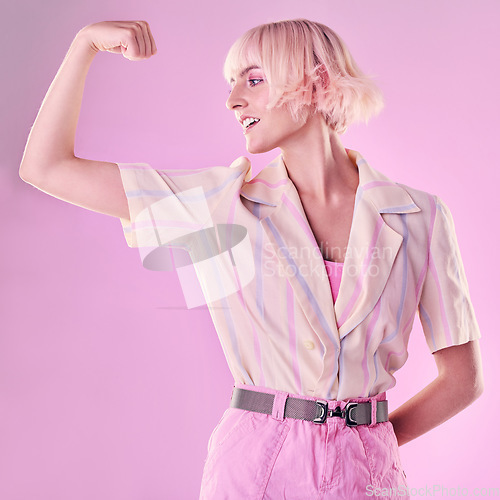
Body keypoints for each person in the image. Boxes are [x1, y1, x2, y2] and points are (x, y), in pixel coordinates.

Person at [19, 18, 484, 500]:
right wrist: (84, 46)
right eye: (232, 82)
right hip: (254, 472)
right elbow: (46, 167)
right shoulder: (221, 206)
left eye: (254, 79)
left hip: (370, 478)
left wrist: (364, 440)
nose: (233, 100)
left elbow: (462, 381)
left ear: (316, 80)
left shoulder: (419, 216)